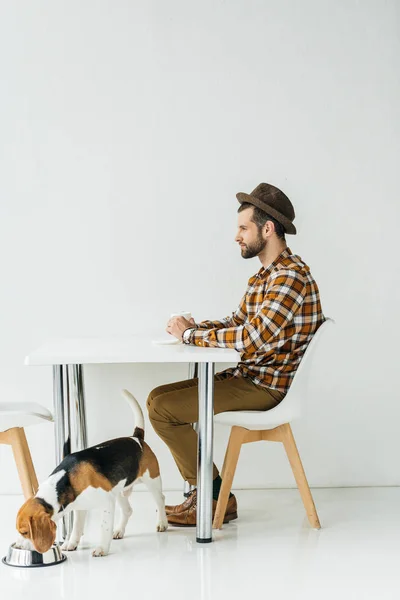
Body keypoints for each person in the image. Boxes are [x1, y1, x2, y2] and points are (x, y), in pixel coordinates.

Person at [146, 182, 325, 526]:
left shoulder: (290, 278)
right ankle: (214, 494)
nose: (237, 236)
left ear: (268, 229)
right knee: (157, 397)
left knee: (163, 410)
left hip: (267, 387)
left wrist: (191, 335)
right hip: (251, 377)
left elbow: (251, 339)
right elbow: (237, 322)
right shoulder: (265, 277)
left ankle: (214, 498)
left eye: (243, 228)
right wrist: (195, 327)